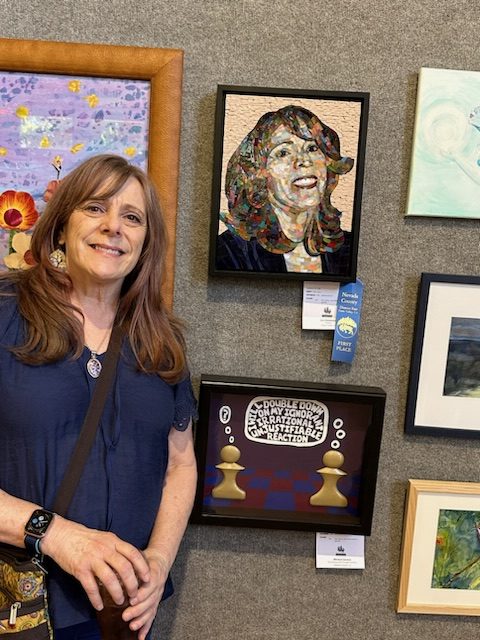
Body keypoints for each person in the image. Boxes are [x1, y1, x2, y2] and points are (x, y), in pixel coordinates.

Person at [0, 154, 198, 639]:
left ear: (145, 243)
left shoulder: (159, 340)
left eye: (132, 217)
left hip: (117, 617)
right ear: (61, 226)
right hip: (18, 607)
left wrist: (158, 559)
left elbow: (180, 463)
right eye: (95, 208)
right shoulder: (4, 314)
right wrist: (57, 534)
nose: (113, 227)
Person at [216, 105, 355, 275]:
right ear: (258, 174)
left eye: (312, 148)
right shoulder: (230, 252)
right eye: (283, 153)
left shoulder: (348, 249)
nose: (304, 161)